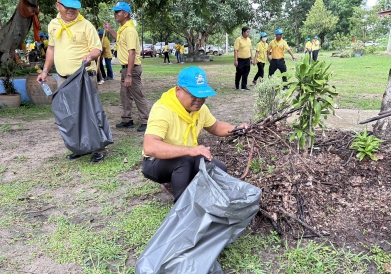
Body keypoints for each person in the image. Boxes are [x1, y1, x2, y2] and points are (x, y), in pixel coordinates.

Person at [142, 67, 248, 202]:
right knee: (184, 160)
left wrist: (237, 129)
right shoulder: (163, 109)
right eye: (194, 95)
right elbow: (150, 147)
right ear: (179, 91)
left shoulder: (200, 109)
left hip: (186, 157)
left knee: (219, 169)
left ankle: (208, 197)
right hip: (155, 163)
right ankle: (183, 207)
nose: (199, 100)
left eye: (203, 95)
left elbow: (214, 126)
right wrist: (190, 150)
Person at [37, 0, 104, 163]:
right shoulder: (53, 24)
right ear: (57, 6)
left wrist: (90, 56)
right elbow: (51, 49)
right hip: (63, 78)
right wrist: (45, 71)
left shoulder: (86, 25)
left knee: (90, 113)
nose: (71, 10)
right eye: (67, 6)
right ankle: (78, 147)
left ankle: (98, 148)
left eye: (74, 7)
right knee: (69, 115)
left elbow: (97, 48)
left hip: (83, 76)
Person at [103, 2, 150, 133]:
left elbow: (132, 53)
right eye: (114, 12)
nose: (115, 14)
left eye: (118, 12)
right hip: (126, 69)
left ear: (126, 14)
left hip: (132, 69)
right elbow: (120, 40)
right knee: (125, 95)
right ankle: (127, 119)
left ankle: (147, 121)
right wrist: (109, 29)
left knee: (137, 95)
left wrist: (129, 74)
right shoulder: (123, 29)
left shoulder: (129, 30)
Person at [233, 26, 252, 91]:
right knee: (239, 72)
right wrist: (236, 60)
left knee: (246, 73)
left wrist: (251, 58)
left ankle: (244, 86)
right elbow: (236, 50)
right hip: (240, 59)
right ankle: (237, 84)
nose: (248, 33)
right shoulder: (238, 39)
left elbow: (250, 49)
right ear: (243, 32)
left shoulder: (249, 40)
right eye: (247, 32)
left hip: (247, 59)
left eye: (249, 32)